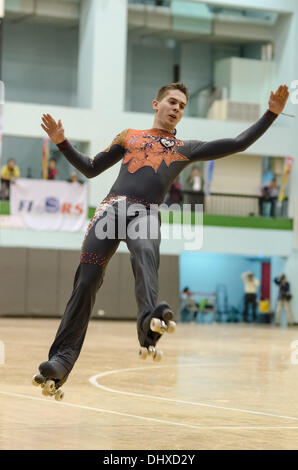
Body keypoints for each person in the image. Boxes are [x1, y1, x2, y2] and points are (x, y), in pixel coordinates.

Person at [36, 82, 289, 394]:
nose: (177, 108)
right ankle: (61, 361)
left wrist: (271, 114)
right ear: (156, 104)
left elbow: (238, 143)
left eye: (182, 105)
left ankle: (148, 324)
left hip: (145, 213)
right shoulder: (129, 136)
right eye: (172, 101)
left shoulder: (185, 149)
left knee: (145, 255)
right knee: (86, 281)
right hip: (111, 211)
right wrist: (62, 143)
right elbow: (90, 168)